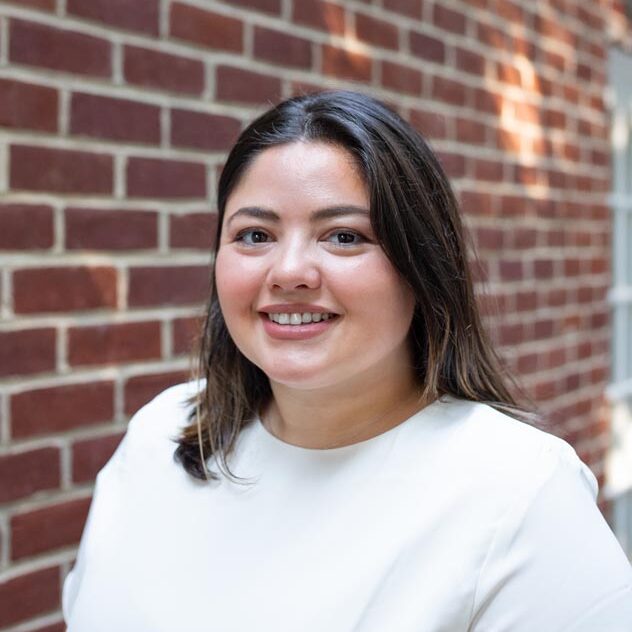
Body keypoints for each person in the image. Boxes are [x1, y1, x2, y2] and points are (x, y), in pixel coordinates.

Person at [63, 90, 632, 631]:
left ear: (421, 265)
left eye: (342, 237)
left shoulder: (520, 491)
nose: (288, 272)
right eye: (255, 234)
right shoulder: (160, 433)